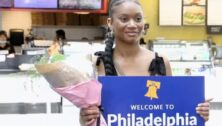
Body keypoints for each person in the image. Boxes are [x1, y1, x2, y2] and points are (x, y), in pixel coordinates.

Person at [80, 0, 211, 125]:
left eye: (138, 19)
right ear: (110, 22)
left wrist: (198, 112)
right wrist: (85, 117)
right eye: (124, 19)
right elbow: (87, 118)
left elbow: (172, 109)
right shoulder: (97, 63)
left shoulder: (160, 61)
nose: (132, 25)